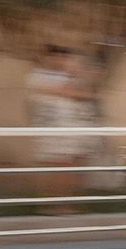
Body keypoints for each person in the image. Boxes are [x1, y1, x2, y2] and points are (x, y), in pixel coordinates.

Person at [27, 47, 97, 209]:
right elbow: (68, 93)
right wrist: (73, 77)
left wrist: (75, 77)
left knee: (72, 167)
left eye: (64, 57)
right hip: (53, 129)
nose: (61, 61)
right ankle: (51, 204)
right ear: (48, 58)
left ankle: (66, 202)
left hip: (73, 129)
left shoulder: (68, 76)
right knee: (58, 167)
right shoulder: (37, 76)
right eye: (57, 57)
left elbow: (88, 94)